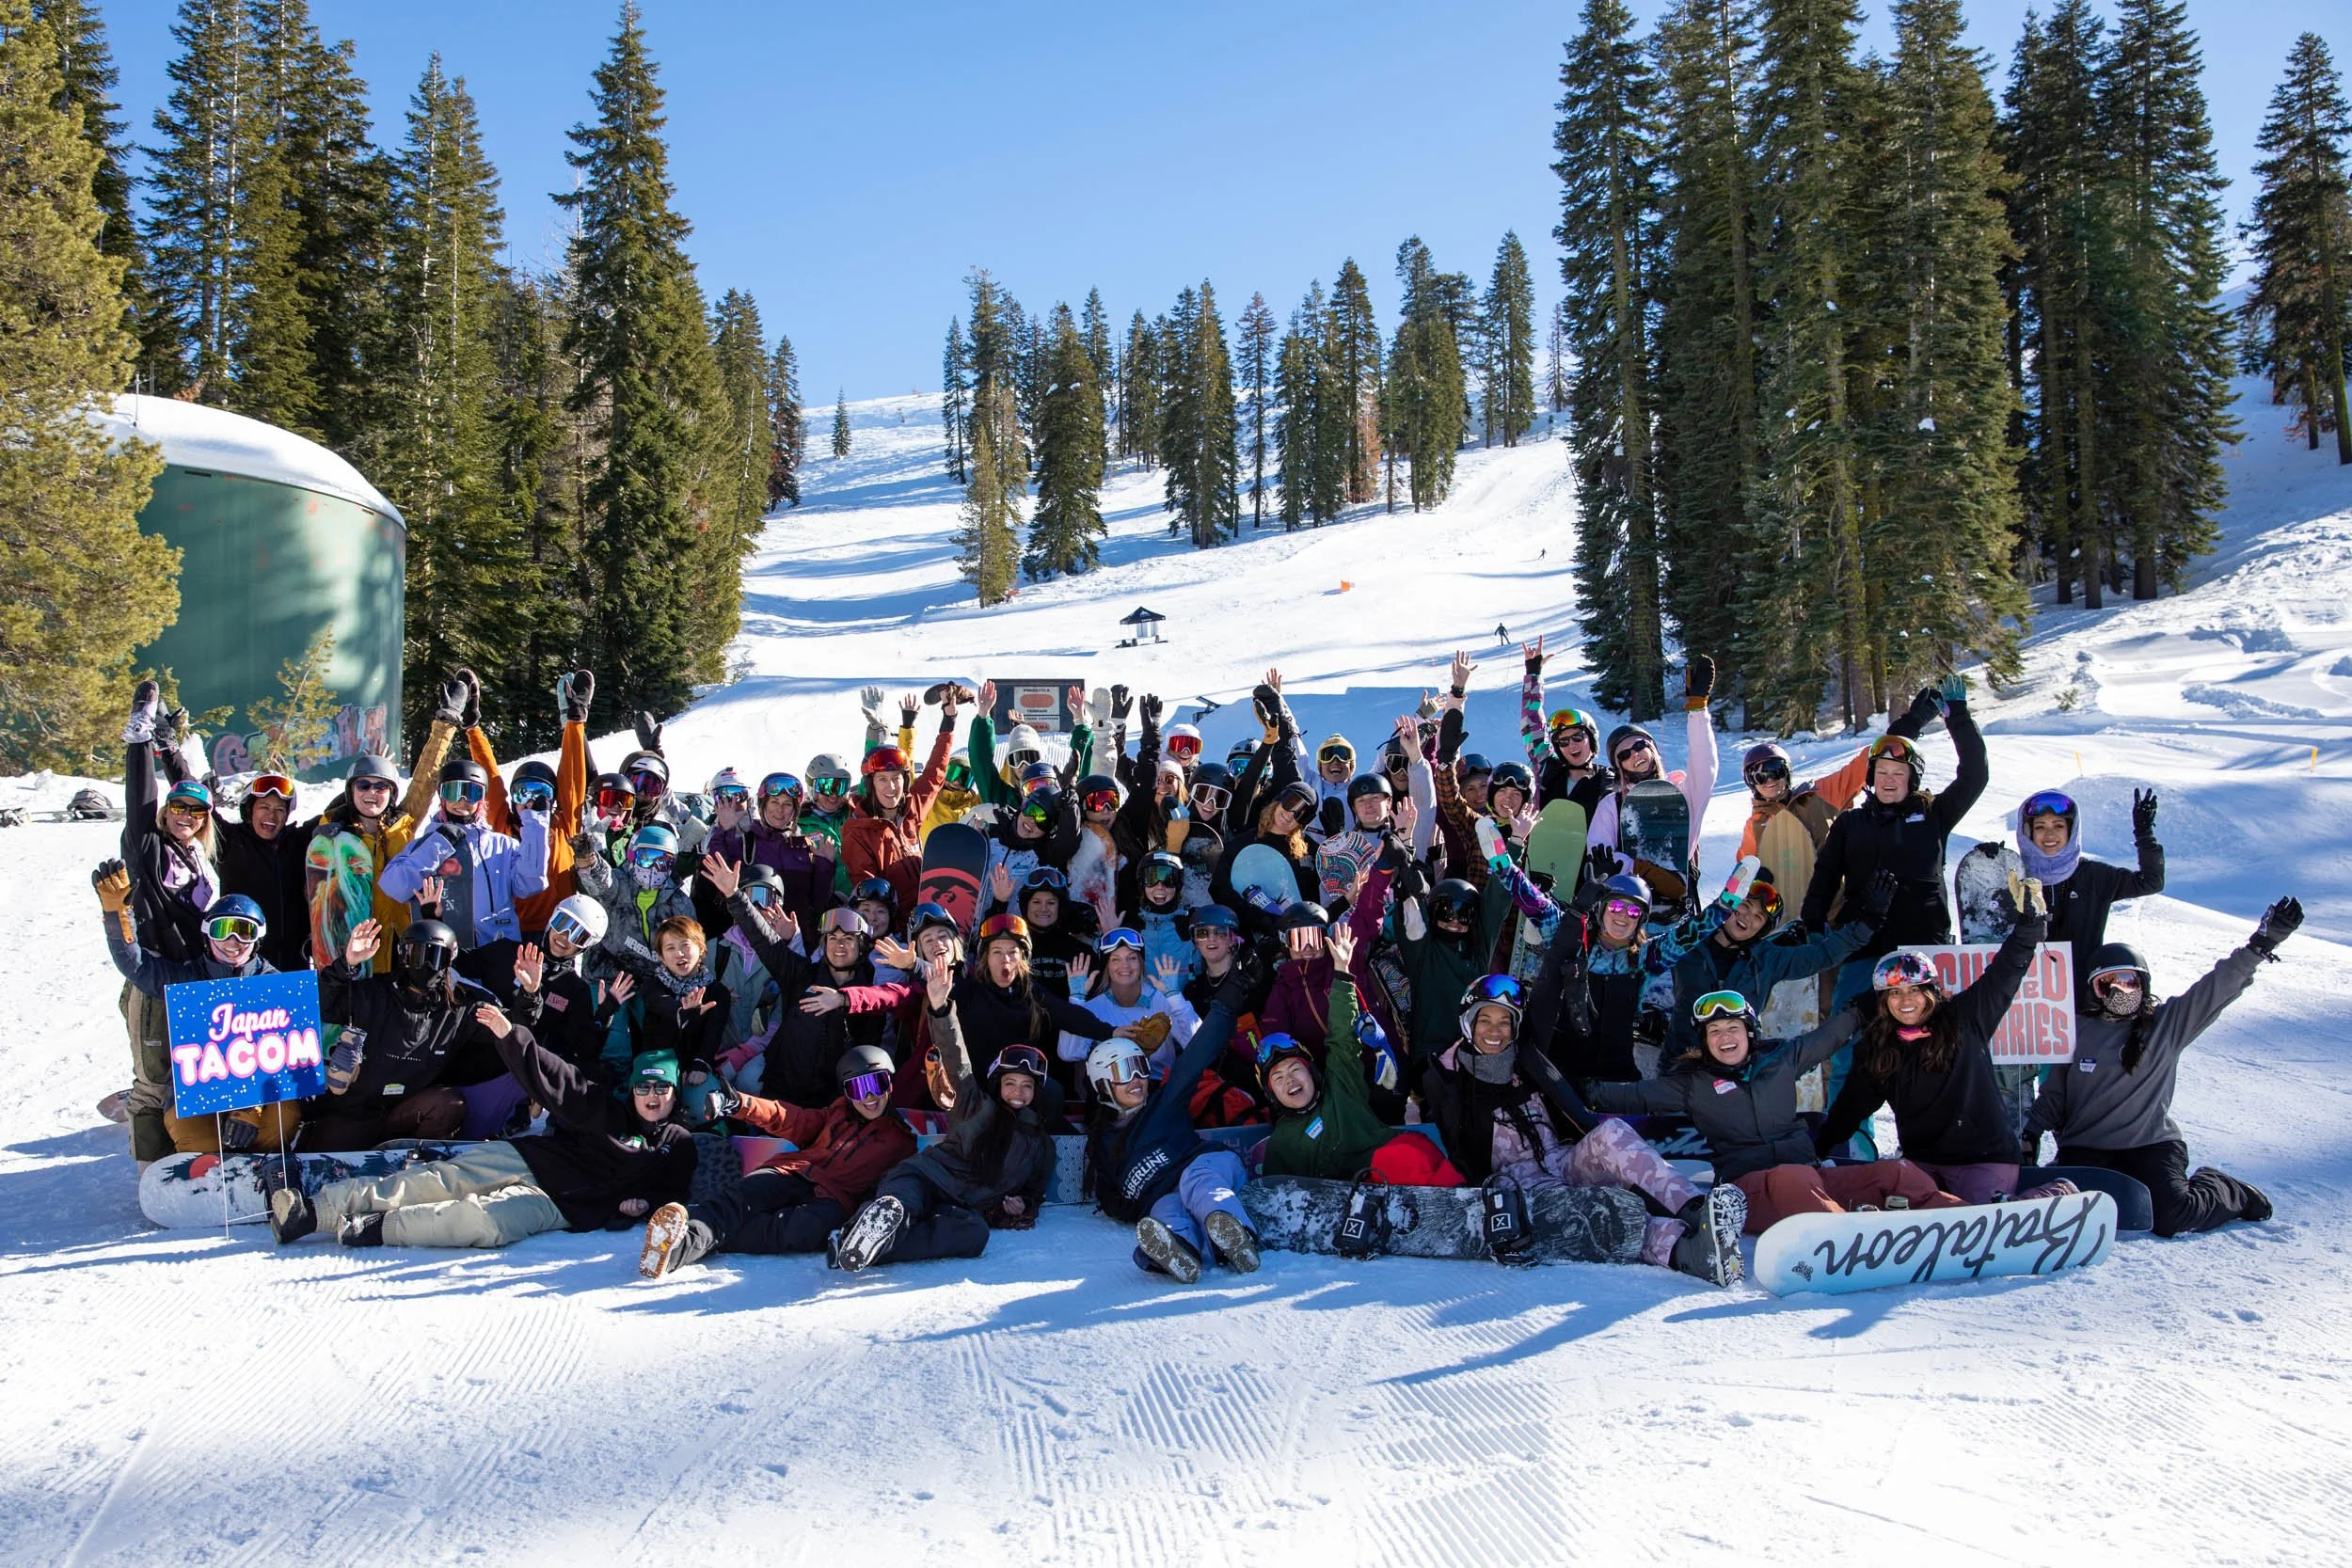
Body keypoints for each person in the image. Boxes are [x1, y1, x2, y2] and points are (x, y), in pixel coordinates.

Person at [1419, 971, 1746, 1284]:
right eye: (1485, 1020)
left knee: (1611, 1133)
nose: (1496, 1030)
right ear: (1468, 1022)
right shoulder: (1448, 1077)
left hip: (1563, 1159)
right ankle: (1686, 1251)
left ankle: (1699, 1213)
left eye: (1505, 1021)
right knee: (1603, 1211)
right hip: (1521, 1187)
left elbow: (1546, 997)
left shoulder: (1527, 1058)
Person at [2022, 899, 2302, 1236]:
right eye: (2107, 983)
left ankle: (2228, 1190)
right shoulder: (2077, 1030)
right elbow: (2055, 1095)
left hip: (2150, 1145)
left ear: (2143, 986)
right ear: (2094, 991)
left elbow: (2215, 988)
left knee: (2170, 1218)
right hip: (2088, 1147)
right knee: (2082, 1216)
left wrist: (2261, 945)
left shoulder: (2166, 1024)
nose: (2120, 990)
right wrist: (2030, 1132)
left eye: (2129, 981)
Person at [270, 1030, 695, 1251]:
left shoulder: (677, 1144)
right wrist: (511, 1034)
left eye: (662, 1090)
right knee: (436, 1182)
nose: (652, 1097)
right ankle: (312, 1213)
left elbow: (672, 1197)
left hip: (561, 1204)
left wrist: (643, 1207)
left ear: (674, 1095)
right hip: (530, 1160)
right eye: (645, 1088)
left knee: (480, 1223)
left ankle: (378, 1228)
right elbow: (555, 1077)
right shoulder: (604, 1107)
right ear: (633, 1089)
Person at [1583, 992, 1968, 1232]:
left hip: (1810, 1181)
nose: (1724, 1038)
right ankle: (1851, 1237)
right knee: (1790, 1177)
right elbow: (1627, 1097)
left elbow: (1830, 1037)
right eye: (1714, 1032)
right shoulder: (1691, 1083)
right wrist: (1568, 1087)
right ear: (1704, 1042)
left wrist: (1867, 1001)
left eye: (1732, 1027)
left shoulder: (1781, 1061)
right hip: (1749, 1193)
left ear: (1750, 1033)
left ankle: (1968, 1222)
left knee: (1894, 1172)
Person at [1813, 881, 2077, 1206]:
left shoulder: (1966, 1017)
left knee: (1977, 1222)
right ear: (1883, 1001)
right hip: (1923, 1161)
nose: (1905, 1001)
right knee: (1916, 1216)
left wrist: (2031, 924)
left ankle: (2055, 1195)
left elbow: (2006, 971)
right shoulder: (1878, 1047)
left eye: (1914, 990)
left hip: (1984, 1158)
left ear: (1931, 992)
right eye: (1894, 993)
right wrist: (1815, 1149)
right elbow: (1850, 1108)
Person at [818, 955, 1058, 1272]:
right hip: (925, 1179)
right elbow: (954, 1055)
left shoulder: (1039, 1145)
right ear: (998, 1085)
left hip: (962, 1206)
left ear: (1037, 1093)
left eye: (1026, 1086)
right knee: (902, 1204)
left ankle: (861, 1248)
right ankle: (867, 1231)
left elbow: (1033, 1192)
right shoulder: (976, 1102)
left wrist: (1022, 1204)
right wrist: (941, 1008)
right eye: (1010, 1083)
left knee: (974, 1235)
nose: (1017, 1092)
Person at [632, 1044, 916, 1271]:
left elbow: (896, 1187)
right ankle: (674, 1250)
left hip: (834, 1200)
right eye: (857, 1087)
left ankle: (697, 1234)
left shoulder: (901, 1140)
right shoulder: (837, 1113)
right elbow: (788, 1117)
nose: (868, 1096)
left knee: (794, 1231)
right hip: (792, 1172)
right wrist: (740, 1104)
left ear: (889, 1085)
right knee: (739, 1198)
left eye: (876, 1084)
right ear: (846, 1093)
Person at [1799, 676, 1987, 1014]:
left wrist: (1957, 716)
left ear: (1912, 779)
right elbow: (1824, 877)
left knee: (1927, 1048)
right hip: (1864, 950)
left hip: (1926, 952)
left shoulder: (1934, 816)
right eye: (1881, 771)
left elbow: (1974, 775)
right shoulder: (1850, 823)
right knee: (1850, 1046)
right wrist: (1813, 923)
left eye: (1898, 773)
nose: (1888, 780)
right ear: (1871, 777)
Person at [1086, 956, 1265, 1284]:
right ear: (1103, 1086)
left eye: (1141, 1067)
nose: (1138, 1078)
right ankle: (1180, 1247)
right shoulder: (1103, 1144)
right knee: (1166, 1209)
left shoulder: (1163, 1102)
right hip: (1165, 1193)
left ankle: (1236, 1233)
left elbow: (1199, 1052)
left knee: (1196, 1182)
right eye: (1125, 1072)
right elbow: (1112, 1199)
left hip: (1207, 1165)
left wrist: (1230, 995)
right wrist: (1140, 1203)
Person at [94, 865, 297, 1154]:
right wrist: (118, 918)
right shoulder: (188, 980)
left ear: (257, 939)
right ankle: (204, 1177)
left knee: (280, 1121)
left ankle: (269, 1169)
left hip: (261, 1095)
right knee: (202, 1144)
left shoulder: (273, 985)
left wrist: (251, 1108)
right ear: (207, 934)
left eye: (244, 931)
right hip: (197, 1092)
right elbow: (136, 966)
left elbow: (287, 1059)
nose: (233, 942)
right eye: (223, 930)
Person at [701, 855, 908, 1107]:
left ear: (862, 947)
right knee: (749, 1083)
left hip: (833, 1103)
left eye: (848, 939)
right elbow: (764, 941)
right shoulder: (800, 974)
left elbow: (887, 1013)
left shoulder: (868, 995)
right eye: (832, 938)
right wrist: (735, 896)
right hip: (782, 1089)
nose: (839, 946)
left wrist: (843, 999)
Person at [1260, 925, 1459, 1185]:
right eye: (1278, 1078)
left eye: (1295, 1070)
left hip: (1387, 1174)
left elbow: (1341, 1034)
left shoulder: (1341, 1087)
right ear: (1272, 1093)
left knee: (1409, 1151)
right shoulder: (1282, 1143)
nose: (1290, 1081)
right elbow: (1279, 1197)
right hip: (1342, 1202)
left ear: (1312, 1073)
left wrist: (1342, 971)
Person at [115, 682, 222, 1160]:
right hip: (156, 978)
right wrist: (140, 743)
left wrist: (168, 746)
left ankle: (187, 1153)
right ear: (166, 810)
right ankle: (148, 1168)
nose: (187, 816)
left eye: (196, 813)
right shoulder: (149, 847)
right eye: (178, 808)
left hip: (194, 978)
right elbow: (140, 805)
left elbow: (196, 793)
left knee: (191, 1078)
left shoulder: (197, 852)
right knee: (154, 1085)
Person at [305, 917, 497, 1149]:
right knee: (322, 1157)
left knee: (448, 1104)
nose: (426, 966)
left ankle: (417, 1160)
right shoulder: (375, 993)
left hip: (405, 1111)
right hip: (355, 1111)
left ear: (450, 961)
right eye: (417, 955)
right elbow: (321, 1006)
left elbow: (509, 1028)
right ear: (404, 956)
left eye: (436, 958)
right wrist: (347, 963)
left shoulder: (457, 1009)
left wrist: (529, 995)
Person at [1663, 869, 1891, 1057]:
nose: (1747, 918)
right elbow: (1646, 958)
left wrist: (1867, 923)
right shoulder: (1689, 943)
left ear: (1762, 929)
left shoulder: (1767, 958)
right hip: (1683, 1060)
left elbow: (1823, 955)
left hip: (1738, 1066)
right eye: (1744, 906)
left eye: (1758, 917)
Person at [379, 756, 550, 998]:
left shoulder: (502, 846)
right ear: (441, 797)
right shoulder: (424, 845)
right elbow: (394, 886)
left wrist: (535, 826)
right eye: (452, 791)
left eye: (470, 793)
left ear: (482, 799)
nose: (461, 801)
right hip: (445, 956)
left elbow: (531, 884)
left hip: (497, 954)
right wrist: (438, 844)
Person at [1733, 687, 1937, 861]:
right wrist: (1726, 906)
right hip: (1787, 905)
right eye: (1757, 776)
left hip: (1837, 901)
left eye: (1775, 771)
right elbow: (1742, 877)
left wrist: (1909, 725)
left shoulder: (1818, 795)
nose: (1769, 780)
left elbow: (1864, 764)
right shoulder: (1756, 825)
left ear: (1787, 772)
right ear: (1750, 783)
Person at [1583, 657, 1721, 895]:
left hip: (1677, 901)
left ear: (1653, 749)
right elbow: (1599, 849)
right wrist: (1635, 868)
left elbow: (1704, 764)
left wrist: (1698, 710)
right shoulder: (1613, 805)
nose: (1635, 754)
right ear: (1619, 767)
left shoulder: (1683, 795)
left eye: (1639, 746)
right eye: (1625, 754)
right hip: (1626, 904)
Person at [2016, 786, 2167, 996]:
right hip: (2028, 1000)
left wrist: (2144, 835)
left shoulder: (2095, 876)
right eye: (2040, 826)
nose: (2049, 834)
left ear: (2071, 830)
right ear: (2028, 832)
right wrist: (1989, 865)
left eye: (2058, 825)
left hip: (2084, 999)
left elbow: (2151, 882)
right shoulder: (2015, 878)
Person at [841, 688, 960, 910]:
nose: (892, 787)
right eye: (883, 780)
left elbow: (934, 774)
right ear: (871, 784)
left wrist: (949, 721)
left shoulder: (911, 809)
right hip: (891, 929)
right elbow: (868, 894)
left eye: (897, 778)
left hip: (924, 918)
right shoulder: (858, 832)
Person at [1058, 929, 1200, 1075]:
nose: (1125, 965)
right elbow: (1069, 1054)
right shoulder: (1093, 1007)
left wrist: (1175, 997)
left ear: (1141, 964)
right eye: (1115, 959)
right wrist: (1076, 1000)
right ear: (1106, 967)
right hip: (1111, 1090)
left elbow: (1197, 1046)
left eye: (1132, 958)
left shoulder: (1163, 1001)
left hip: (1160, 1090)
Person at [570, 820, 697, 982]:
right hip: (608, 975)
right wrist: (587, 858)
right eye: (647, 858)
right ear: (632, 857)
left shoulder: (679, 902)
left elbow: (690, 947)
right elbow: (601, 882)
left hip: (657, 982)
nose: (653, 868)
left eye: (662, 862)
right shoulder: (620, 884)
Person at [505, 895, 616, 1078]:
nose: (564, 936)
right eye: (562, 922)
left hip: (532, 1070)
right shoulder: (511, 952)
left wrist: (604, 1016)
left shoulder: (575, 989)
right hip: (491, 1052)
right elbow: (458, 962)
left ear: (585, 947)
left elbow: (582, 1052)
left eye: (578, 935)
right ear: (551, 920)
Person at [212, 771, 310, 973]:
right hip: (244, 964)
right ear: (250, 811)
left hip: (294, 965)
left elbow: (340, 810)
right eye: (264, 806)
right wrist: (170, 754)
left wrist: (368, 776)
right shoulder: (229, 842)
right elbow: (197, 802)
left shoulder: (299, 842)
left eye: (280, 809)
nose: (271, 815)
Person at [1518, 636, 1613, 815]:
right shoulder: (1548, 770)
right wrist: (1533, 673)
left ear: (1591, 739)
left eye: (1577, 737)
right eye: (1563, 742)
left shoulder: (1608, 780)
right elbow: (1531, 722)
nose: (1571, 745)